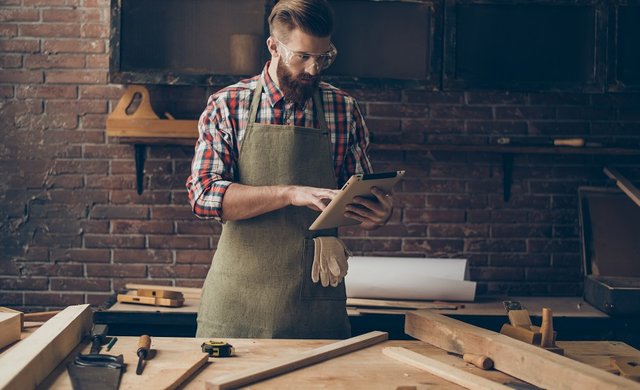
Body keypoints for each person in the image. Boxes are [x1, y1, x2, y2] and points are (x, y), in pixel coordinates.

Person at [186, 0, 393, 339]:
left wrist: (375, 213)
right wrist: (289, 193)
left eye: (324, 57)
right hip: (237, 302)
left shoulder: (343, 109)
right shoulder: (228, 105)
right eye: (303, 57)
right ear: (273, 47)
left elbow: (353, 199)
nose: (314, 70)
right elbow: (204, 196)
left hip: (314, 302)